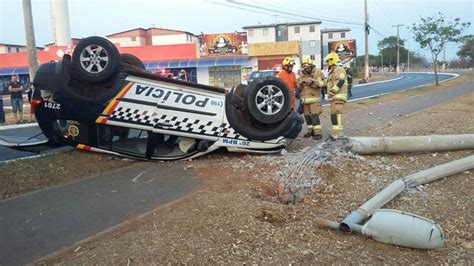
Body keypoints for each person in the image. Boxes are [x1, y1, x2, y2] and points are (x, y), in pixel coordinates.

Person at [296, 58, 326, 140]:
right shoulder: (303, 74)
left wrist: (313, 81)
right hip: (305, 100)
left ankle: (318, 133)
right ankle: (310, 131)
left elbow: (324, 83)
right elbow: (298, 86)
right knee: (307, 117)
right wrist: (300, 83)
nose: (306, 70)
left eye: (307, 67)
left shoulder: (318, 72)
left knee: (314, 116)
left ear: (311, 65)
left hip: (314, 99)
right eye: (304, 68)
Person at [324, 52, 348, 139]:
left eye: (327, 62)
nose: (327, 64)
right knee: (333, 115)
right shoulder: (333, 71)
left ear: (331, 60)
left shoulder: (339, 69)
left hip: (339, 96)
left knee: (337, 114)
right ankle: (335, 134)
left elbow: (340, 82)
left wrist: (331, 92)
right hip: (334, 97)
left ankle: (339, 134)